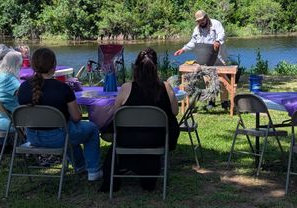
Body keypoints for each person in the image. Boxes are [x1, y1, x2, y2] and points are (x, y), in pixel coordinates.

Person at [100, 48, 179, 192]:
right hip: (157, 139)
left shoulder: (126, 88)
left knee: (113, 132)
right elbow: (175, 112)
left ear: (136, 67)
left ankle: (120, 169)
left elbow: (116, 114)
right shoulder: (166, 87)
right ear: (156, 66)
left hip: (128, 140)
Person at [18, 48, 102, 181]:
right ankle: (93, 171)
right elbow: (77, 117)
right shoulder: (63, 88)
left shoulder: (22, 88)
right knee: (90, 129)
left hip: (33, 137)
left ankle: (80, 166)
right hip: (59, 137)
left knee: (70, 130)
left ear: (33, 65)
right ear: (53, 66)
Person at [173, 10, 229, 108]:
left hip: (218, 56)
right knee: (207, 78)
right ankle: (211, 100)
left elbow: (222, 34)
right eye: (198, 21)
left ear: (206, 17)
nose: (200, 22)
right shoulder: (197, 29)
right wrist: (183, 49)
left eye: (202, 20)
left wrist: (217, 41)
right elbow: (193, 42)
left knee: (223, 78)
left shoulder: (216, 24)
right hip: (206, 58)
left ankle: (224, 101)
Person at [0, 50, 23, 133]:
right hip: (12, 122)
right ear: (16, 65)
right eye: (20, 65)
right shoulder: (9, 78)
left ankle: (5, 144)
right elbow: (23, 96)